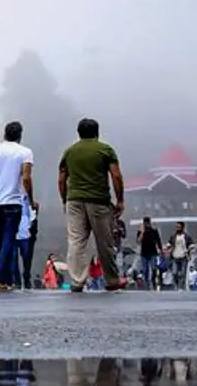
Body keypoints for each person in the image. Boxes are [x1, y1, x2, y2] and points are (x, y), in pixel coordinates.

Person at [58, 118, 126, 292]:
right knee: (104, 242)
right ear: (97, 132)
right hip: (98, 201)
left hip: (74, 200)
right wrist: (120, 200)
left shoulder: (69, 152)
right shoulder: (105, 150)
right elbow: (116, 176)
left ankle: (77, 281)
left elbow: (62, 178)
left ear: (78, 133)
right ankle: (111, 280)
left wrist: (65, 199)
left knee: (76, 241)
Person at [0, 121, 36, 292]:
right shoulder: (25, 152)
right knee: (8, 240)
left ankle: (4, 279)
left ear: (4, 134)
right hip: (13, 202)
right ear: (20, 135)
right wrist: (31, 198)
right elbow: (26, 178)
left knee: (0, 241)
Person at [137, 217, 163, 290]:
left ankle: (153, 282)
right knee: (145, 270)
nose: (146, 224)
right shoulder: (141, 231)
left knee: (154, 268)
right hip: (144, 254)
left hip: (153, 253)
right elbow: (138, 241)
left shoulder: (154, 231)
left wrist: (161, 250)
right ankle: (147, 285)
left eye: (147, 223)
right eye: (145, 223)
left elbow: (158, 241)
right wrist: (142, 232)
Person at [171, 222, 193, 291]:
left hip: (183, 257)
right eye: (176, 227)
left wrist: (188, 249)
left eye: (179, 227)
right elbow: (170, 243)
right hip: (175, 256)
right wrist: (167, 247)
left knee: (183, 273)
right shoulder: (174, 236)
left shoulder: (186, 236)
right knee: (174, 273)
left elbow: (191, 244)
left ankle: (180, 287)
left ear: (182, 228)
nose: (177, 228)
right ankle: (176, 285)